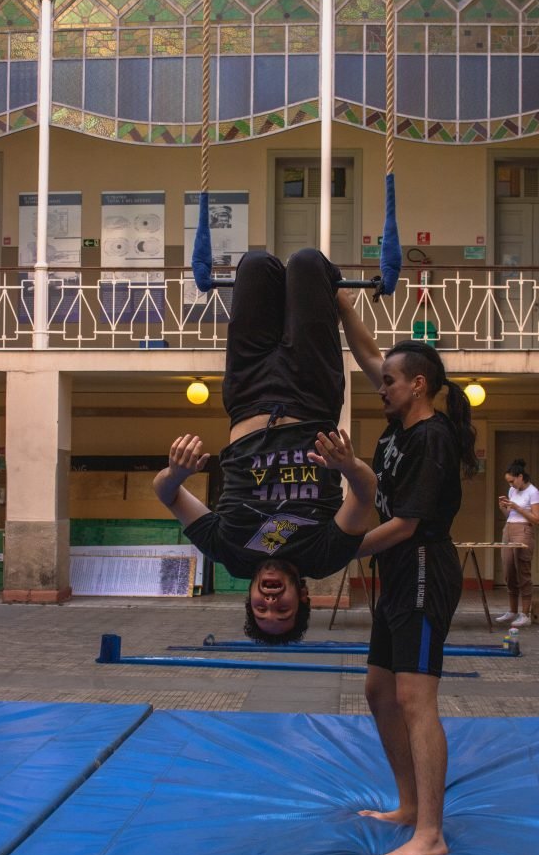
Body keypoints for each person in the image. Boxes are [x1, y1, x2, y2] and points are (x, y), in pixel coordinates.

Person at [153, 249, 376, 643]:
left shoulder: (230, 552)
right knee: (307, 263)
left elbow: (165, 492)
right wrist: (348, 467)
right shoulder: (325, 556)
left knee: (255, 264)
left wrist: (177, 474)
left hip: (248, 395)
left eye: (261, 608)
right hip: (311, 394)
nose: (271, 601)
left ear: (250, 598)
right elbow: (365, 493)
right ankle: (331, 297)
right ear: (303, 596)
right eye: (283, 609)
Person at [338, 291, 478, 855]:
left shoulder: (432, 437)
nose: (382, 386)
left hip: (420, 564)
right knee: (378, 691)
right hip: (396, 571)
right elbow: (372, 356)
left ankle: (432, 833)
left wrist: (342, 551)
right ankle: (409, 804)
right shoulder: (398, 426)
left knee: (415, 698)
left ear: (417, 385)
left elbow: (407, 524)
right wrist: (345, 307)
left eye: (392, 381)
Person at [496, 458, 539, 627]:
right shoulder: (511, 491)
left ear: (520, 477)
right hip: (508, 529)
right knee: (509, 570)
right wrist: (504, 506)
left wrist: (518, 508)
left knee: (522, 570)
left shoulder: (533, 492)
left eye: (512, 481)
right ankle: (512, 610)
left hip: (524, 530)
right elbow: (510, 515)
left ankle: (525, 613)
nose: (510, 484)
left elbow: (537, 519)